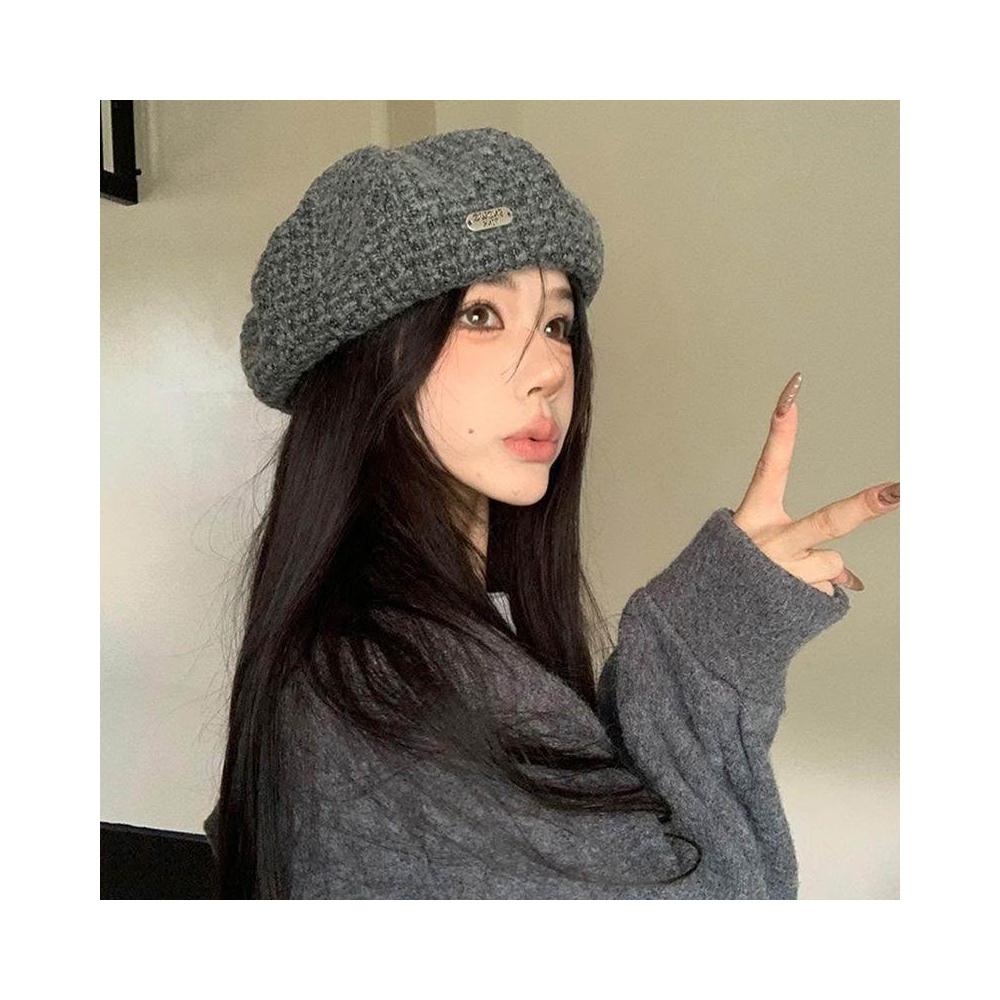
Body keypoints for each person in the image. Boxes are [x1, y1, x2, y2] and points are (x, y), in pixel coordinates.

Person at [203, 126, 899, 899]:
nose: (548, 370)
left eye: (558, 325)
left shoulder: (411, 639)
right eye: (480, 315)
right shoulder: (385, 687)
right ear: (364, 362)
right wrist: (710, 639)